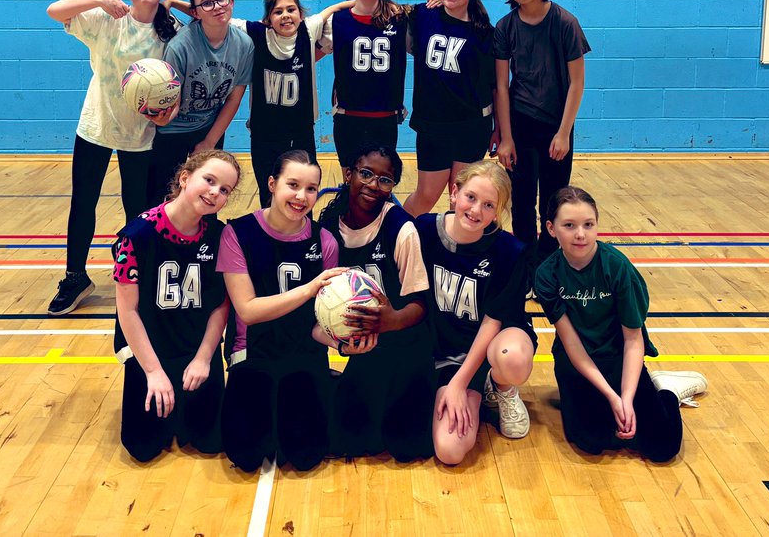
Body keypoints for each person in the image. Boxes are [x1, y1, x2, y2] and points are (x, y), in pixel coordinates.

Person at [45, 0, 181, 316]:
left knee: (137, 209)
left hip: (142, 133)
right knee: (83, 202)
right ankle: (75, 276)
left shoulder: (174, 32)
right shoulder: (106, 20)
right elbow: (53, 10)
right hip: (97, 126)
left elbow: (180, 83)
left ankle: (134, 271)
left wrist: (169, 113)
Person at [535, 186, 707, 461]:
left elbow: (633, 339)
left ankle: (668, 392)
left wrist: (625, 398)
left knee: (662, 447)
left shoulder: (617, 267)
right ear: (551, 229)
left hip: (620, 358)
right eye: (569, 225)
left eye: (588, 225)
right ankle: (607, 400)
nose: (580, 234)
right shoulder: (547, 276)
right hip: (578, 364)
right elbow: (571, 343)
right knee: (592, 441)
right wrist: (611, 397)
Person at [217, 150, 346, 472]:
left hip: (304, 352)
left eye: (311, 188)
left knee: (305, 456)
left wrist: (341, 342)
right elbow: (247, 310)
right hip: (253, 353)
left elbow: (321, 320)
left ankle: (318, 386)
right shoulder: (238, 233)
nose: (301, 196)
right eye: (293, 185)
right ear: (272, 184)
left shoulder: (325, 242)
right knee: (245, 455)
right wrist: (309, 287)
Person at [112, 150, 241, 461]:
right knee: (142, 447)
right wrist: (154, 372)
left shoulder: (219, 235)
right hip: (150, 349)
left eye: (224, 190)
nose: (214, 193)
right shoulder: (137, 236)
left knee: (210, 441)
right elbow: (127, 311)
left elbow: (220, 306)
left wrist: (203, 358)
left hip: (194, 348)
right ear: (185, 178)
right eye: (209, 180)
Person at [317, 145, 434, 461]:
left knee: (409, 449)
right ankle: (333, 382)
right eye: (366, 174)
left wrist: (392, 320)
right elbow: (320, 301)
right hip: (366, 349)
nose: (373, 185)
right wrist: (341, 344)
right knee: (348, 443)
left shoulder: (402, 228)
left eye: (385, 180)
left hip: (407, 344)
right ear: (349, 174)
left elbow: (421, 305)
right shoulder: (328, 227)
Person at [416, 160, 536, 465]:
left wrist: (459, 382)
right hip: (441, 350)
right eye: (471, 197)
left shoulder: (509, 251)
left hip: (488, 345)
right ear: (454, 193)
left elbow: (492, 321)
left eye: (488, 205)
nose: (476, 210)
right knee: (449, 450)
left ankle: (502, 387)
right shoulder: (424, 231)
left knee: (513, 357)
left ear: (497, 212)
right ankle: (475, 392)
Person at [492, 0, 591, 277]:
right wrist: (505, 138)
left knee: (554, 200)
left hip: (555, 127)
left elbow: (577, 83)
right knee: (522, 202)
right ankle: (525, 270)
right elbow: (501, 86)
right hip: (520, 124)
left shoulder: (565, 23)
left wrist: (563, 132)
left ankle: (549, 270)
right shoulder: (505, 27)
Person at [236, 0, 352, 207]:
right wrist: (174, 4)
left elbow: (334, 8)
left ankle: (304, 235)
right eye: (277, 12)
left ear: (300, 14)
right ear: (268, 19)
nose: (286, 15)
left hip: (301, 132)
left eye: (291, 9)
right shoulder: (257, 33)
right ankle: (272, 236)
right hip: (265, 133)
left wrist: (382, 4)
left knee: (304, 189)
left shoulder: (308, 30)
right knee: (269, 192)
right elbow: (216, 18)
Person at [402, 0, 497, 216]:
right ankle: (393, 242)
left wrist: (499, 129)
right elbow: (377, 9)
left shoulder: (485, 33)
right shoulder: (423, 15)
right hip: (433, 126)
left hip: (472, 127)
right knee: (426, 196)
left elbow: (495, 86)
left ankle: (455, 251)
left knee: (462, 201)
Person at [148, 0, 253, 207]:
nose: (216, 6)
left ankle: (205, 243)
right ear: (195, 12)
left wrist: (210, 141)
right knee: (166, 199)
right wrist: (163, 117)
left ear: (231, 2)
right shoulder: (180, 47)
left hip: (210, 126)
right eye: (207, 3)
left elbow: (235, 98)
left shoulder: (244, 45)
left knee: (210, 196)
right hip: (173, 132)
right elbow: (172, 101)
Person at [329, 0, 409, 166]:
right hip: (348, 117)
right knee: (350, 181)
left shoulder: (400, 20)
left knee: (379, 180)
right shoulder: (336, 21)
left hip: (384, 117)